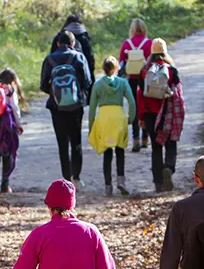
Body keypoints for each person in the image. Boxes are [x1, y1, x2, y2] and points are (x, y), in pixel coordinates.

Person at [41, 31, 92, 188]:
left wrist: (56, 93)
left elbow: (43, 85)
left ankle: (66, 179)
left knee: (62, 143)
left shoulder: (49, 59)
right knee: (76, 141)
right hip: (76, 106)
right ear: (72, 44)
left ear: (57, 44)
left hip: (56, 107)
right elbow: (87, 81)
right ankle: (77, 178)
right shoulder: (78, 57)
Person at [137, 38, 185, 192]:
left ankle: (158, 183)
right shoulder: (171, 70)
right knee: (171, 143)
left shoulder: (145, 70)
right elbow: (178, 93)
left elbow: (140, 95)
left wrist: (141, 117)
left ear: (152, 52)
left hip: (150, 114)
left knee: (156, 147)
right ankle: (169, 168)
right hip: (167, 114)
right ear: (165, 51)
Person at [88, 56, 136, 196]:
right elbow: (132, 102)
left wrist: (92, 127)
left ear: (103, 69)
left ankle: (108, 185)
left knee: (107, 153)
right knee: (120, 151)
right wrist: (130, 119)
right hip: (119, 117)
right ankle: (121, 181)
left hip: (104, 118)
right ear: (116, 68)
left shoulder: (97, 85)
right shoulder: (122, 83)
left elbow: (92, 108)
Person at [119, 19, 153, 153]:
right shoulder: (149, 43)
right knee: (145, 107)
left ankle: (135, 139)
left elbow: (121, 62)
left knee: (134, 107)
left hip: (131, 79)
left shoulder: (127, 43)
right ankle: (145, 138)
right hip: (145, 79)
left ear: (132, 29)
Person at [50, 15, 95, 98]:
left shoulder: (59, 37)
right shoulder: (84, 37)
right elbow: (90, 60)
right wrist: (88, 84)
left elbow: (51, 56)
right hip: (78, 79)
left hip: (58, 79)